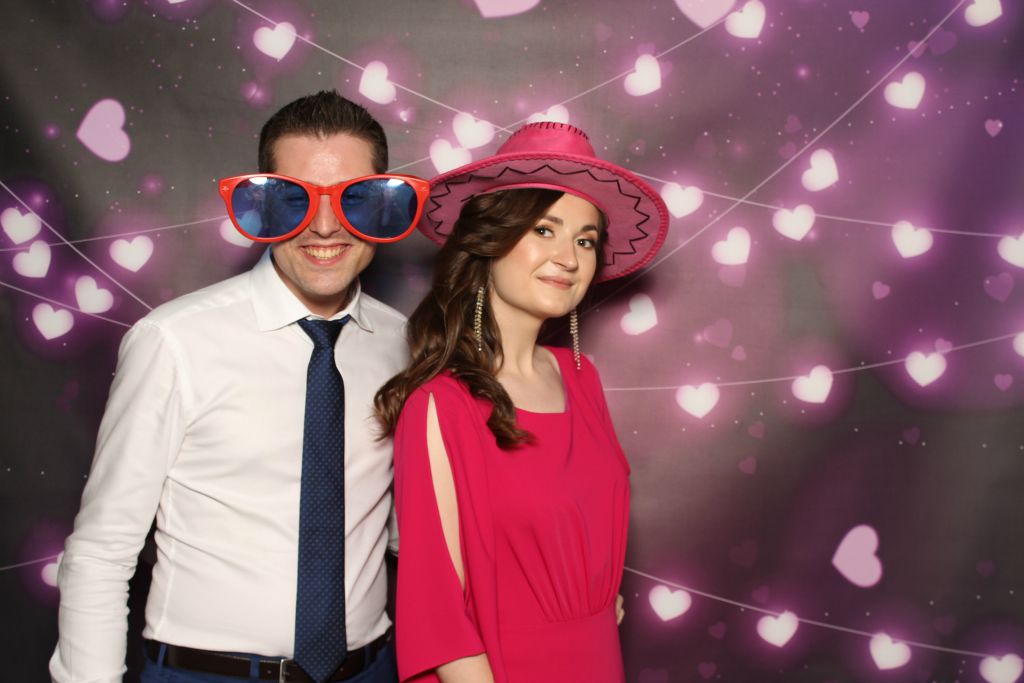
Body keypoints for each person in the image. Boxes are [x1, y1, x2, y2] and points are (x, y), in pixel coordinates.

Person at [50, 90, 429, 683]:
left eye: (351, 199)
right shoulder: (174, 341)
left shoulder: (402, 343)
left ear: (381, 206)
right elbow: (102, 550)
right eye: (295, 199)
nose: (324, 226)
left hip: (371, 670)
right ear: (264, 205)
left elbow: (419, 531)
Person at [374, 122, 669, 683]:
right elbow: (439, 619)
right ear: (491, 240)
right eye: (544, 229)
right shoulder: (441, 404)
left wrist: (592, 604)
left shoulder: (581, 378)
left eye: (585, 240)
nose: (569, 258)